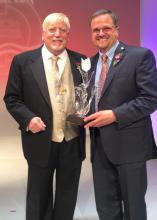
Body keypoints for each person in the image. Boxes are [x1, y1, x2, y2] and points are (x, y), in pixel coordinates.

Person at [4, 12, 86, 220]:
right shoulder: (23, 61)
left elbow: (89, 97)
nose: (57, 34)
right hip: (40, 139)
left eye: (62, 30)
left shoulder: (82, 61)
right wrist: (28, 119)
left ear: (68, 34)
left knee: (68, 194)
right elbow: (12, 98)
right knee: (38, 196)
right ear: (43, 34)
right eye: (52, 29)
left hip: (72, 139)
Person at [84, 9, 157, 220]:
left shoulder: (139, 56)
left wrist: (115, 115)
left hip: (130, 147)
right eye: (95, 29)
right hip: (100, 149)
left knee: (134, 209)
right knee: (106, 209)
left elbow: (150, 99)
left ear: (116, 30)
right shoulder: (89, 64)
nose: (101, 33)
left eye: (106, 28)